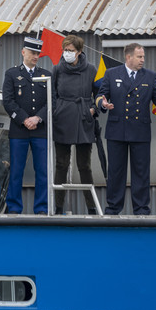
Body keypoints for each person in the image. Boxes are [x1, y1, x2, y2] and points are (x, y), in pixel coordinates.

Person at [96, 43, 156, 215]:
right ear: (128, 57)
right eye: (139, 57)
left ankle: (141, 209)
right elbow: (101, 94)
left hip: (140, 130)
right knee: (116, 172)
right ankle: (113, 208)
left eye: (143, 57)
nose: (142, 60)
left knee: (141, 173)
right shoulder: (111, 73)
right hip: (117, 130)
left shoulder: (149, 75)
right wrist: (103, 103)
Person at [2, 37, 50, 215]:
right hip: (19, 130)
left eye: (38, 53)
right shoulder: (12, 74)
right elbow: (8, 101)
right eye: (32, 53)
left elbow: (52, 102)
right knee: (16, 171)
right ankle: (14, 209)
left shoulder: (46, 75)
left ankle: (42, 209)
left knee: (43, 172)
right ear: (24, 52)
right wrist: (24, 119)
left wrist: (37, 118)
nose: (36, 56)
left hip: (40, 130)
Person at [52, 35, 98, 215]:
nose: (67, 54)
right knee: (61, 164)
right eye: (65, 50)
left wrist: (92, 110)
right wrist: (57, 110)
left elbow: (101, 94)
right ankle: (58, 207)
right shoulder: (57, 69)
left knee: (84, 165)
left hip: (84, 119)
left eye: (71, 51)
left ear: (79, 51)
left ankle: (92, 207)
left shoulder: (91, 70)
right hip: (62, 119)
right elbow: (53, 93)